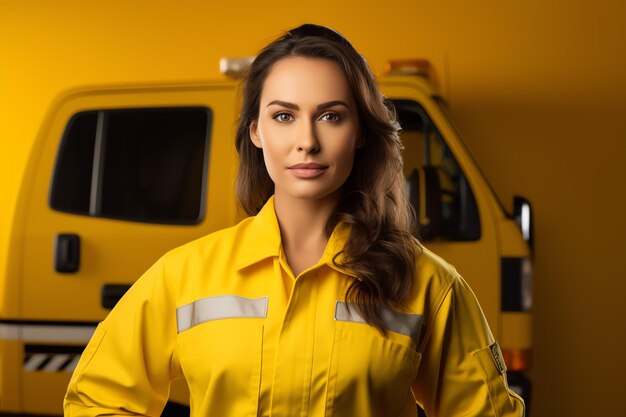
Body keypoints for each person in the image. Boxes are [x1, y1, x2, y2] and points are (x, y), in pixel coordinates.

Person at [64, 24, 525, 417]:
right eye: (284, 116)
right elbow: (95, 398)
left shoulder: (430, 286)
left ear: (361, 132)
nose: (306, 141)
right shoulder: (184, 275)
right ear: (256, 131)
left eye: (330, 116)